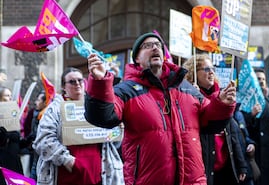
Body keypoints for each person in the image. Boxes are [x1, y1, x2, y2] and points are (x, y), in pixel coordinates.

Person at [85, 32, 236, 185]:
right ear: (137, 58)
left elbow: (210, 122)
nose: (155, 48)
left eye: (158, 45)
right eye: (148, 46)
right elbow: (103, 117)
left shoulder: (186, 88)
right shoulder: (126, 90)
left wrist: (222, 104)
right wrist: (99, 83)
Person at [33, 67, 124, 185]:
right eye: (72, 81)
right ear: (63, 87)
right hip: (67, 173)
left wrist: (118, 131)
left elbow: (112, 142)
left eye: (80, 80)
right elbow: (44, 140)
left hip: (99, 174)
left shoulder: (96, 105)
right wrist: (68, 161)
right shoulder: (54, 110)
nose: (77, 84)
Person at [183, 54, 248, 185]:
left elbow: (232, 134)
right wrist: (191, 97)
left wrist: (241, 165)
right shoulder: (185, 97)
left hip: (224, 168)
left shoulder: (221, 97)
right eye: (206, 69)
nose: (211, 72)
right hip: (203, 167)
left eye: (212, 68)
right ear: (193, 73)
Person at [241, 68, 269, 185]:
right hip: (255, 153)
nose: (261, 81)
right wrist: (251, 115)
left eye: (263, 79)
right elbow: (241, 125)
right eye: (258, 79)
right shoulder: (244, 101)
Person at [0, 86, 23, 185]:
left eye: (10, 96)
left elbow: (17, 141)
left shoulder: (13, 114)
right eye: (7, 95)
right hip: (3, 162)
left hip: (14, 161)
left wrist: (26, 141)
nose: (10, 98)